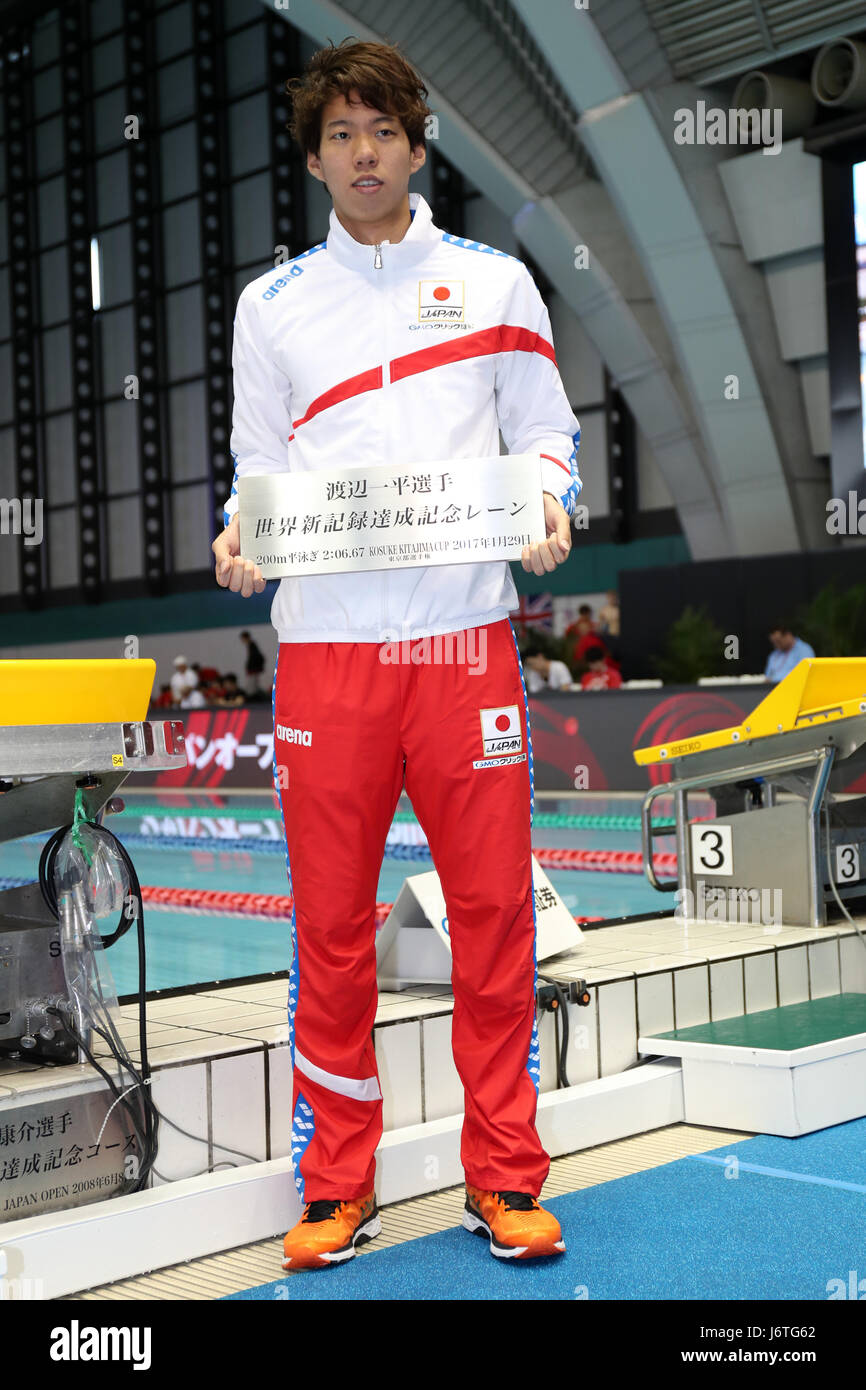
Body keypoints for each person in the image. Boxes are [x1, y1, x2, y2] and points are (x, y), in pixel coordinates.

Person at [211, 38, 581, 1270]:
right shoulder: (270, 308)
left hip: (466, 645)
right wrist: (238, 530)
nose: (361, 154)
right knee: (331, 929)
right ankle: (334, 1185)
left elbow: (543, 435)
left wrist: (550, 504)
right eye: (338, 136)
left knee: (491, 920)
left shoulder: (495, 284)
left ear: (416, 144)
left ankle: (504, 1176)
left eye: (381, 131)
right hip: (327, 658)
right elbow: (259, 469)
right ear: (314, 157)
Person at [240, 630, 267, 696]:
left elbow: (254, 658)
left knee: (252, 685)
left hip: (254, 669)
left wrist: (250, 668)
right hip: (254, 668)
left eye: (242, 639)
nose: (242, 640)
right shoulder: (251, 645)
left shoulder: (252, 645)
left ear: (245, 637)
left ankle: (253, 697)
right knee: (254, 685)